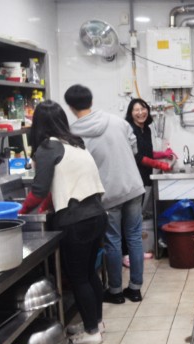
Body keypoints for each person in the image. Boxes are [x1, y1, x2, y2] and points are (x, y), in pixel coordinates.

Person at [19, 100, 107, 344]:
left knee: (78, 278)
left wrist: (21, 212)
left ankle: (91, 332)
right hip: (96, 215)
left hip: (76, 220)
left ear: (39, 124)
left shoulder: (47, 147)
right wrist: (46, 205)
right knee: (90, 273)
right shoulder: (75, 143)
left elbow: (38, 190)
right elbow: (58, 185)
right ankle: (96, 323)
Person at [64, 84, 146, 304]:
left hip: (107, 193)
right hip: (133, 186)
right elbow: (134, 147)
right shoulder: (117, 121)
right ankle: (135, 289)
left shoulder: (72, 133)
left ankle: (116, 292)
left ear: (70, 107)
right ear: (91, 101)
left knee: (113, 241)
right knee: (135, 237)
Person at [124, 98, 174, 266]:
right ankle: (127, 255)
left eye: (143, 108)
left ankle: (136, 252)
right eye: (136, 110)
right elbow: (136, 156)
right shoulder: (130, 130)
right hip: (133, 178)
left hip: (144, 177)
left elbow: (147, 152)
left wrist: (163, 154)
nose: (141, 112)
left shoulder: (144, 129)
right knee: (131, 217)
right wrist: (159, 164)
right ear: (131, 114)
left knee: (137, 216)